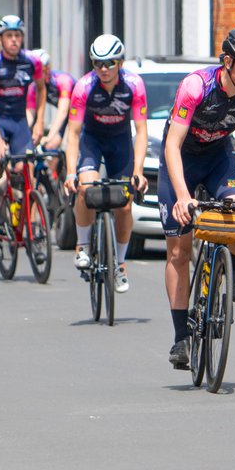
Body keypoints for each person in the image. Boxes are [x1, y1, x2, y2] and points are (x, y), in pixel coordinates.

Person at [159, 27, 235, 370]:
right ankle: (181, 337)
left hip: (217, 158)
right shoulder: (196, 86)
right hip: (181, 158)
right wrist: (182, 196)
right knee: (179, 251)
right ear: (227, 62)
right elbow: (171, 145)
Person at [62, 34, 149, 293]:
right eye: (97, 63)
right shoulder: (84, 86)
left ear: (120, 62)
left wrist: (139, 172)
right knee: (86, 190)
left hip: (120, 142)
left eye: (109, 63)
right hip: (92, 140)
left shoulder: (134, 84)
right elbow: (74, 134)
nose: (103, 69)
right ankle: (83, 245)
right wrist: (69, 173)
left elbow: (141, 131)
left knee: (124, 204)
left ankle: (120, 265)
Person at [0, 15, 47, 225]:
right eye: (9, 36)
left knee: (26, 169)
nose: (14, 40)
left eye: (18, 35)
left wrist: (40, 122)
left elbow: (41, 89)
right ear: (0, 40)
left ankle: (28, 221)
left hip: (19, 122)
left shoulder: (32, 62)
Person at [26, 50, 76, 152]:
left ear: (47, 69)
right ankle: (54, 167)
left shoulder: (63, 80)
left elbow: (63, 112)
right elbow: (30, 117)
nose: (34, 75)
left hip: (80, 112)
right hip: (68, 114)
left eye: (38, 70)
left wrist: (49, 136)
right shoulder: (33, 87)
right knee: (50, 146)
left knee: (71, 141)